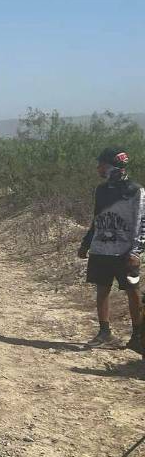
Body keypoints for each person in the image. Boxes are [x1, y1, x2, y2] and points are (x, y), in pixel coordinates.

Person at [77, 148, 145, 352]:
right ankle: (105, 332)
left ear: (113, 166)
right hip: (101, 250)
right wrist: (86, 243)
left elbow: (143, 223)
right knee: (102, 290)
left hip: (126, 253)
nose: (98, 168)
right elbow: (96, 219)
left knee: (133, 292)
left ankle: (138, 336)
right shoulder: (101, 190)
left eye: (102, 164)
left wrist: (136, 252)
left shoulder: (136, 190)